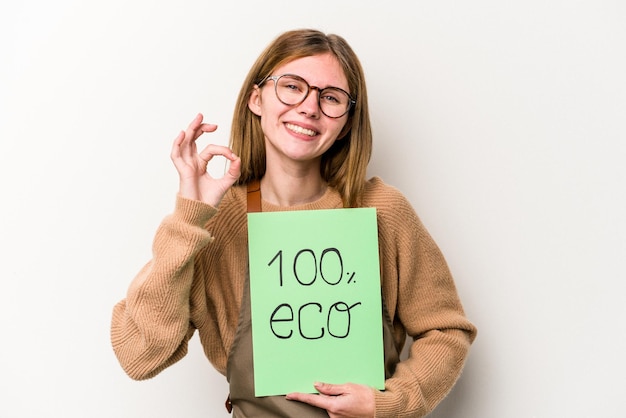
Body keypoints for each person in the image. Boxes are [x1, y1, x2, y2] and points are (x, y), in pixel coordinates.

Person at [111, 28, 477, 417]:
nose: (309, 107)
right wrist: (189, 217)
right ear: (257, 99)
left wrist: (391, 403)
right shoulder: (217, 223)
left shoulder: (382, 211)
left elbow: (446, 331)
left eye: (331, 97)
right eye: (292, 87)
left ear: (348, 122)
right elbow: (139, 355)